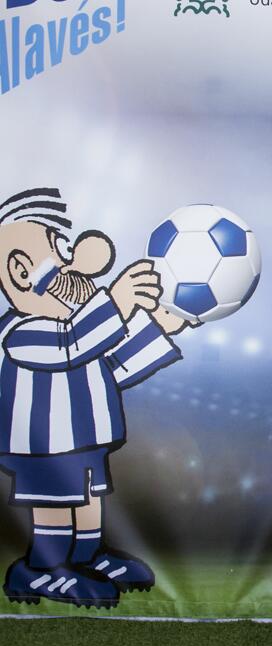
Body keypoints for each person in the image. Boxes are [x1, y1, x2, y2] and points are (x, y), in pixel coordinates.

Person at [0, 188, 189, 608]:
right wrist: (117, 303)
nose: (74, 264)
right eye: (59, 250)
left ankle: (86, 557)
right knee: (54, 502)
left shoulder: (78, 328)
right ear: (19, 270)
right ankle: (42, 568)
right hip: (43, 445)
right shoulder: (22, 332)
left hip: (85, 438)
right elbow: (71, 344)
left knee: (87, 499)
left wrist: (157, 328)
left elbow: (113, 366)